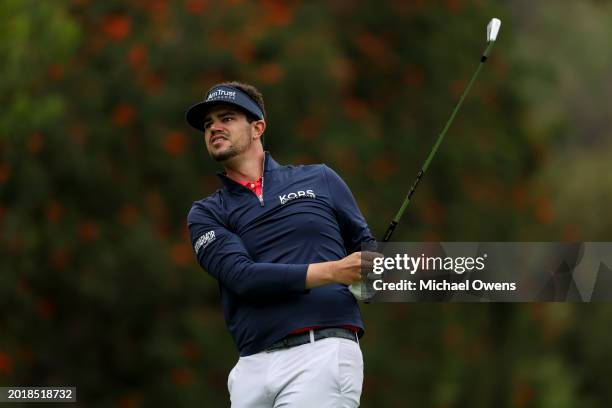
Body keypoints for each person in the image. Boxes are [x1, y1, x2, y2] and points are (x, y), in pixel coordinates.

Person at [185, 81, 375, 407]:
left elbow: (368, 254)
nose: (214, 127)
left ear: (258, 127)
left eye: (226, 118)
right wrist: (334, 271)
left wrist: (370, 273)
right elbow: (244, 277)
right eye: (207, 124)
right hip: (250, 367)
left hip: (322, 351)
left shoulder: (320, 180)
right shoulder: (206, 213)